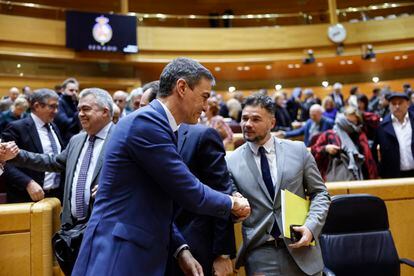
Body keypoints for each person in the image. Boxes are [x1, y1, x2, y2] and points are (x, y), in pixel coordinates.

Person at [72, 57, 250, 276]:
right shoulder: (146, 122)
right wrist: (232, 202)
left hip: (136, 252)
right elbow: (188, 190)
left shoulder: (162, 125)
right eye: (204, 97)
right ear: (182, 87)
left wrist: (180, 250)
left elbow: (156, 200)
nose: (206, 107)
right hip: (118, 254)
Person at [10, 88, 115, 274]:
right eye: (79, 109)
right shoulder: (77, 139)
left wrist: (117, 187)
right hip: (71, 230)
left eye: (86, 109)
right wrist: (16, 155)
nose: (80, 114)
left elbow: (140, 177)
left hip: (104, 229)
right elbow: (52, 162)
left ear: (105, 111)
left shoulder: (122, 138)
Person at [227, 93, 330, 276]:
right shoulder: (230, 161)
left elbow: (320, 193)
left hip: (302, 248)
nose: (247, 124)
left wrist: (311, 227)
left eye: (255, 119)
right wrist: (235, 208)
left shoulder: (298, 151)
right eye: (244, 118)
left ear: (272, 123)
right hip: (260, 254)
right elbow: (232, 207)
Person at [172, 123, 236, 276]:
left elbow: (221, 191)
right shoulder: (146, 137)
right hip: (153, 246)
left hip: (195, 246)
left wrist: (223, 253)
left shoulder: (202, 135)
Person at [2, 89, 64, 203]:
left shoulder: (54, 127)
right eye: (52, 106)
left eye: (57, 107)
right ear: (36, 106)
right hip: (26, 197)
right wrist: (28, 183)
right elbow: (5, 162)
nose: (56, 111)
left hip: (56, 196)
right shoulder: (17, 128)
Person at [311, 107, 378, 181]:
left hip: (359, 177)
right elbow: (313, 150)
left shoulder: (360, 135)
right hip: (335, 177)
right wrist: (326, 148)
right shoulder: (330, 134)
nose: (351, 125)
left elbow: (375, 119)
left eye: (355, 122)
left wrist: (360, 112)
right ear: (343, 119)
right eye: (348, 121)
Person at [374, 93, 414, 178]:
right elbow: (374, 151)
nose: (397, 106)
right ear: (389, 106)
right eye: (394, 104)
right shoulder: (382, 126)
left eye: (400, 103)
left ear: (408, 104)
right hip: (394, 175)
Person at [55, 78, 81, 145]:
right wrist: (78, 114)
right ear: (62, 90)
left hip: (74, 139)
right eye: (71, 90)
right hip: (63, 140)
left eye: (76, 91)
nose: (74, 93)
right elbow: (64, 123)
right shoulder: (58, 102)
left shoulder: (76, 102)